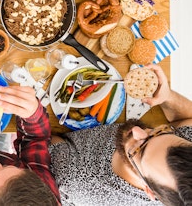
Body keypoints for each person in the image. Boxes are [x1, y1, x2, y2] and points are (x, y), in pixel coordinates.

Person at [49, 64, 192, 206]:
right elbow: (187, 118)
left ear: (149, 191)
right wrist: (167, 97)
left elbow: (53, 141)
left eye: (139, 150)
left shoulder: (77, 182)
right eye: (160, 131)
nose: (137, 130)